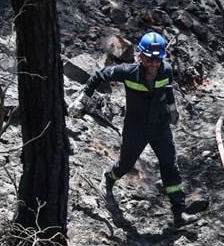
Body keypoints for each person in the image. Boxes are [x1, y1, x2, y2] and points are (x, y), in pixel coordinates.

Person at [69, 31, 187, 227]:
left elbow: (168, 88)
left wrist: (172, 109)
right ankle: (109, 176)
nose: (154, 64)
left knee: (170, 165)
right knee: (125, 165)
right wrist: (83, 99)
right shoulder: (128, 72)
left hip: (160, 127)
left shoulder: (166, 70)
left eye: (158, 60)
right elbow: (99, 75)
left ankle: (179, 212)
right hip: (136, 128)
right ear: (140, 56)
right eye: (149, 60)